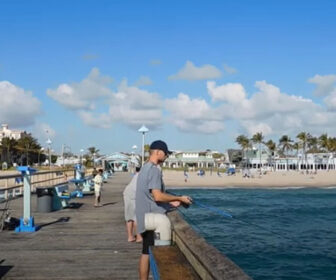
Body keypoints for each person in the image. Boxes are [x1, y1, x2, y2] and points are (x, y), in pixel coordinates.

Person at [135, 140, 192, 280]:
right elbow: (157, 196)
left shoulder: (145, 168)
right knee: (160, 253)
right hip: (153, 219)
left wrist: (171, 202)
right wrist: (180, 198)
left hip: (144, 216)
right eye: (166, 153)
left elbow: (150, 196)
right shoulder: (154, 170)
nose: (166, 156)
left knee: (146, 253)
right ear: (158, 152)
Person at [123, 166, 142, 242]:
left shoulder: (137, 175)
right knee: (136, 217)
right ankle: (139, 237)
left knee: (129, 217)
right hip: (133, 196)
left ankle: (130, 237)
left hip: (127, 194)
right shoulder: (143, 176)